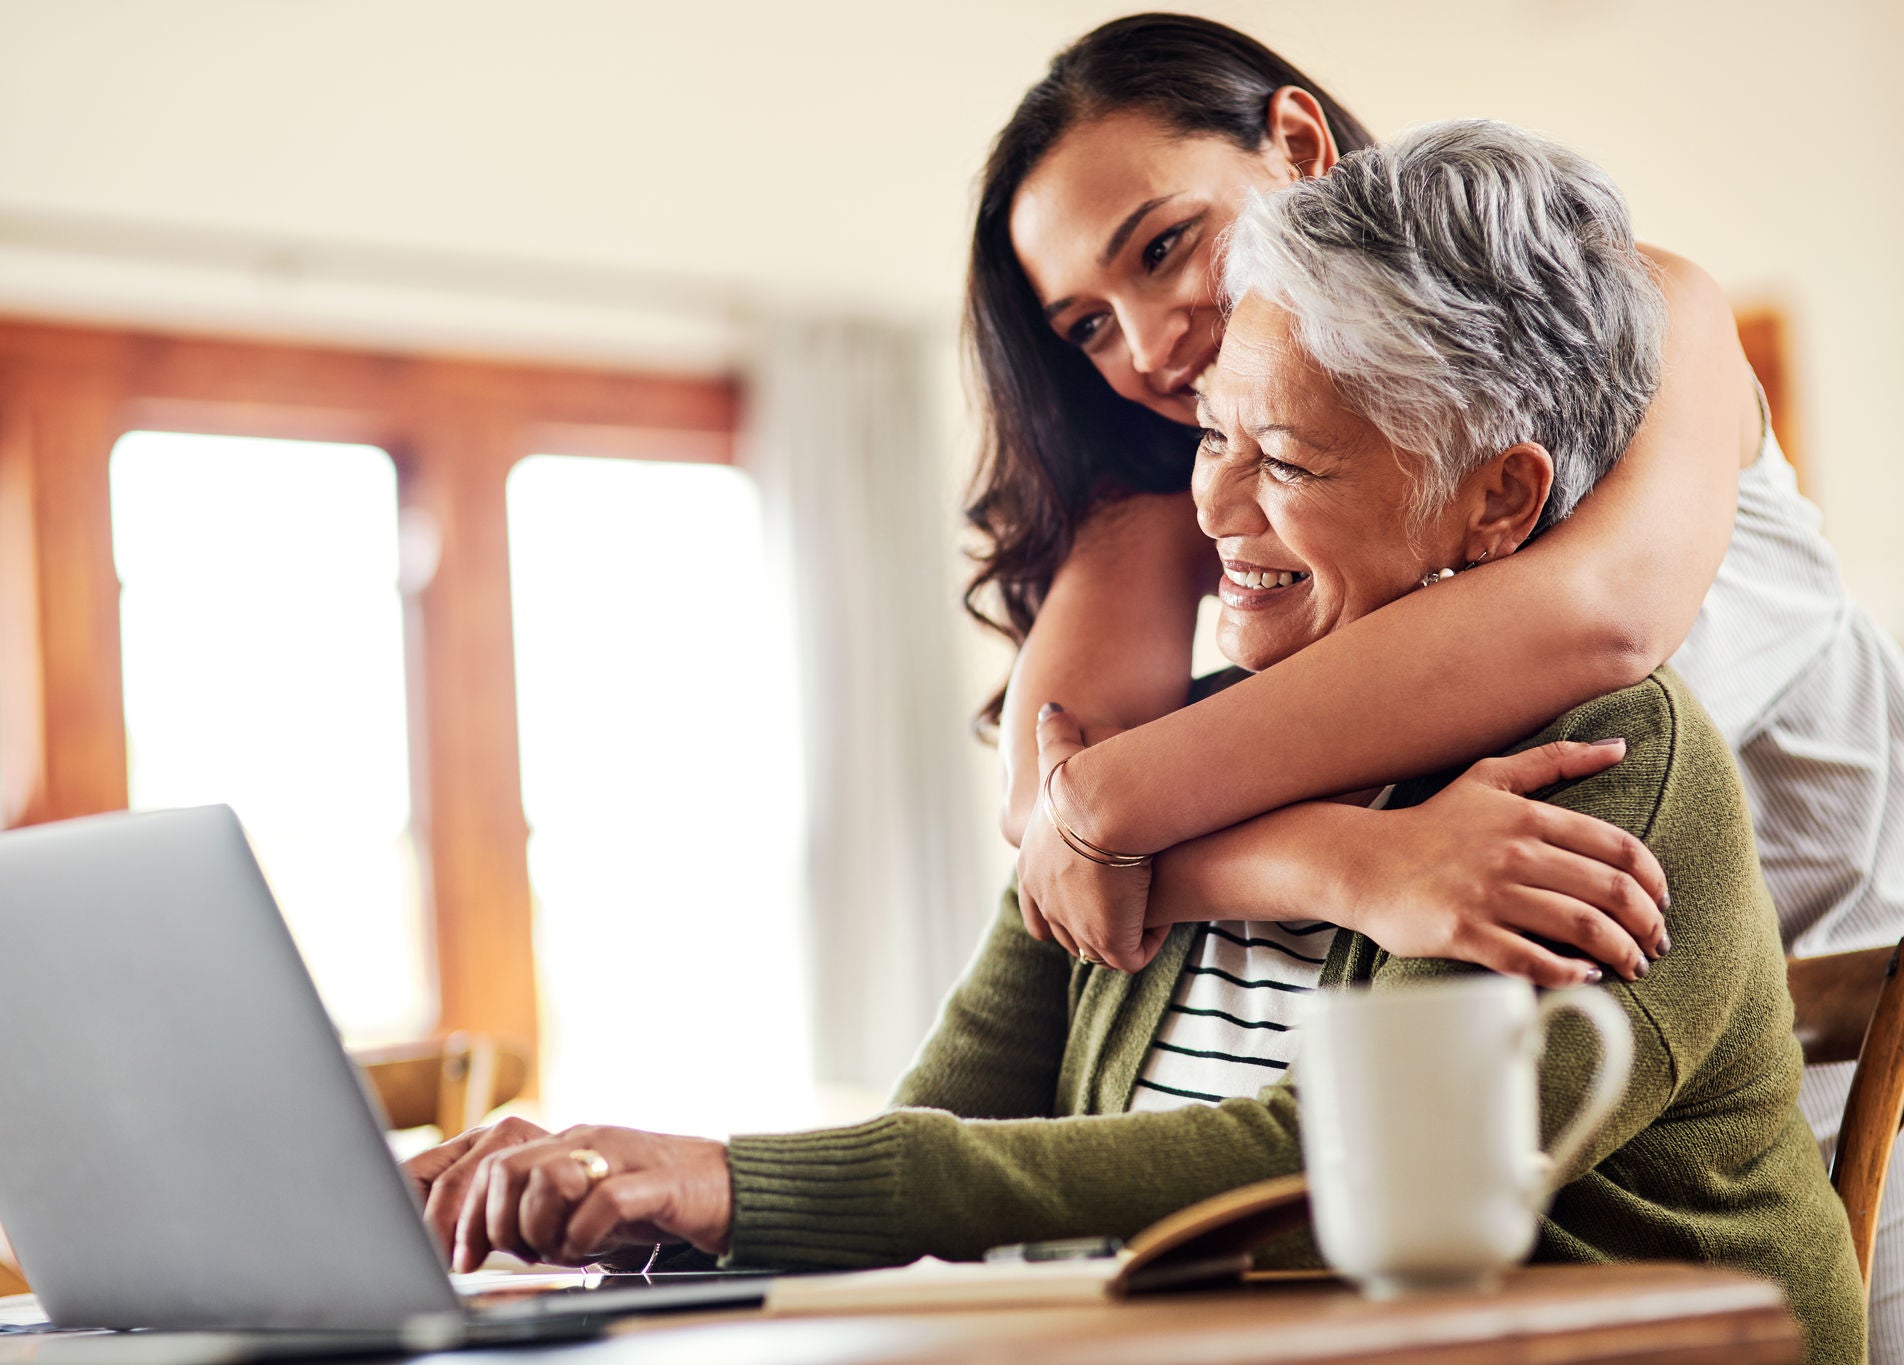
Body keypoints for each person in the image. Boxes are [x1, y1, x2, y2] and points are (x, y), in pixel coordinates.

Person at [402, 121, 1864, 1364]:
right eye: (1209, 438)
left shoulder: (1602, 761)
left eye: (1284, 459)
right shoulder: (1199, 746)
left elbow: (1322, 1177)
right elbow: (950, 1117)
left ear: (1494, 503)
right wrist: (658, 1204)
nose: (1217, 514)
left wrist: (732, 1183)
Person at [972, 17, 1904, 1350]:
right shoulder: (1212, 457)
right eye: (1088, 325)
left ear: (1295, 141)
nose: (1149, 340)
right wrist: (1343, 864)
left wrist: (1117, 811)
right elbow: (1044, 816)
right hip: (1552, 1081)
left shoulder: (1635, 320)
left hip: (1838, 1053)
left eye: (1165, 244)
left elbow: (1595, 618)